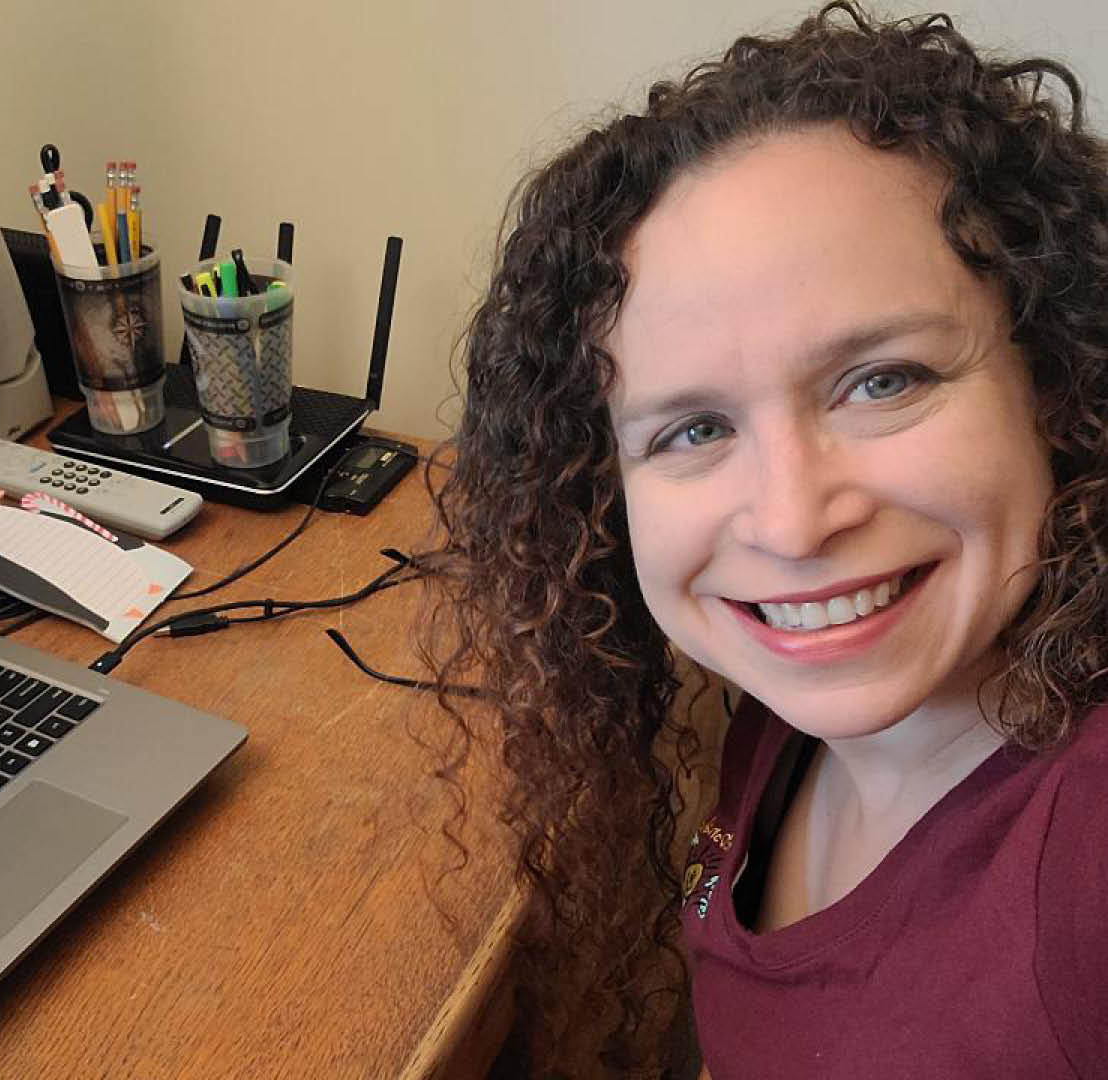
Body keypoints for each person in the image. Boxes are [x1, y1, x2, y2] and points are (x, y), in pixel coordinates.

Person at [422, 4, 1108, 1077]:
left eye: (885, 381)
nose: (792, 524)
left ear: (1059, 382)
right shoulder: (781, 719)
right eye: (694, 429)